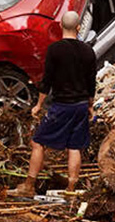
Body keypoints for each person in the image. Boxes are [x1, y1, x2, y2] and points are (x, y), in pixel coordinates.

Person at [13, 11, 97, 197]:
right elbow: (91, 83)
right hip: (81, 105)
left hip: (62, 106)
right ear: (78, 27)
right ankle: (70, 189)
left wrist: (39, 105)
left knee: (38, 142)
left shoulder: (55, 50)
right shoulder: (88, 51)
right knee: (74, 147)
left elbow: (47, 81)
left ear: (61, 26)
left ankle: (29, 185)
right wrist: (90, 105)